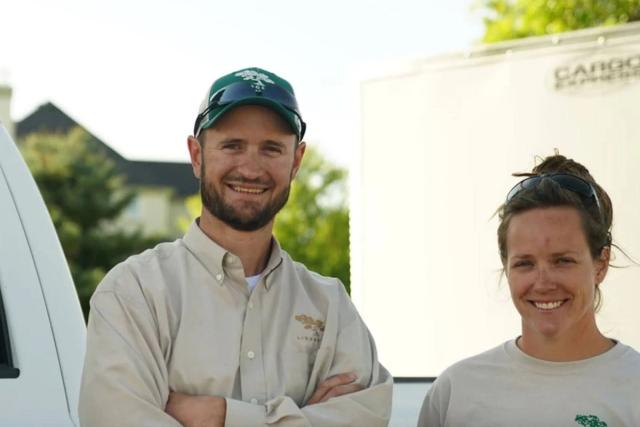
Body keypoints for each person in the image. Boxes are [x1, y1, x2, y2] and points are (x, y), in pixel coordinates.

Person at [79, 67, 392, 427]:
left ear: (296, 162)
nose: (251, 168)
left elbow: (367, 418)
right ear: (197, 156)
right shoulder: (134, 293)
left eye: (271, 148)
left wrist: (221, 415)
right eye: (232, 145)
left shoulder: (331, 307)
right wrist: (301, 417)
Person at [417, 155, 640, 427]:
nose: (543, 283)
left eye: (563, 260)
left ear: (601, 264)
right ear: (506, 268)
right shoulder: (456, 394)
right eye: (525, 263)